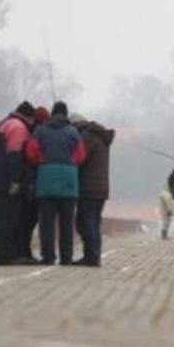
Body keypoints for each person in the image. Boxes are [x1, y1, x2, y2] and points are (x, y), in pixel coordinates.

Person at [25, 101, 87, 265]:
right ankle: (66, 257)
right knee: (67, 222)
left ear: (52, 113)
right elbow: (81, 155)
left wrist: (44, 161)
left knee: (46, 222)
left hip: (46, 179)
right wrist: (69, 162)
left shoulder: (40, 131)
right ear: (66, 115)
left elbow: (31, 153)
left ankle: (48, 256)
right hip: (69, 181)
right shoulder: (73, 132)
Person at [0, 101, 36, 265]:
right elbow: (14, 155)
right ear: (29, 117)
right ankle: (9, 256)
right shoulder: (19, 128)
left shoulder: (2, 124)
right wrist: (15, 180)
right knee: (8, 220)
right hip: (5, 181)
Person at [71, 113, 116, 266]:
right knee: (94, 222)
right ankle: (93, 256)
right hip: (101, 188)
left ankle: (91, 256)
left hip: (88, 188)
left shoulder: (87, 137)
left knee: (85, 222)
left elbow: (79, 159)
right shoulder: (100, 137)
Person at [16, 105, 52, 260]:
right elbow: (33, 157)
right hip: (33, 181)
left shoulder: (30, 131)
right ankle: (24, 252)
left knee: (26, 219)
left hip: (28, 180)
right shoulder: (38, 133)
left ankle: (23, 251)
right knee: (29, 220)